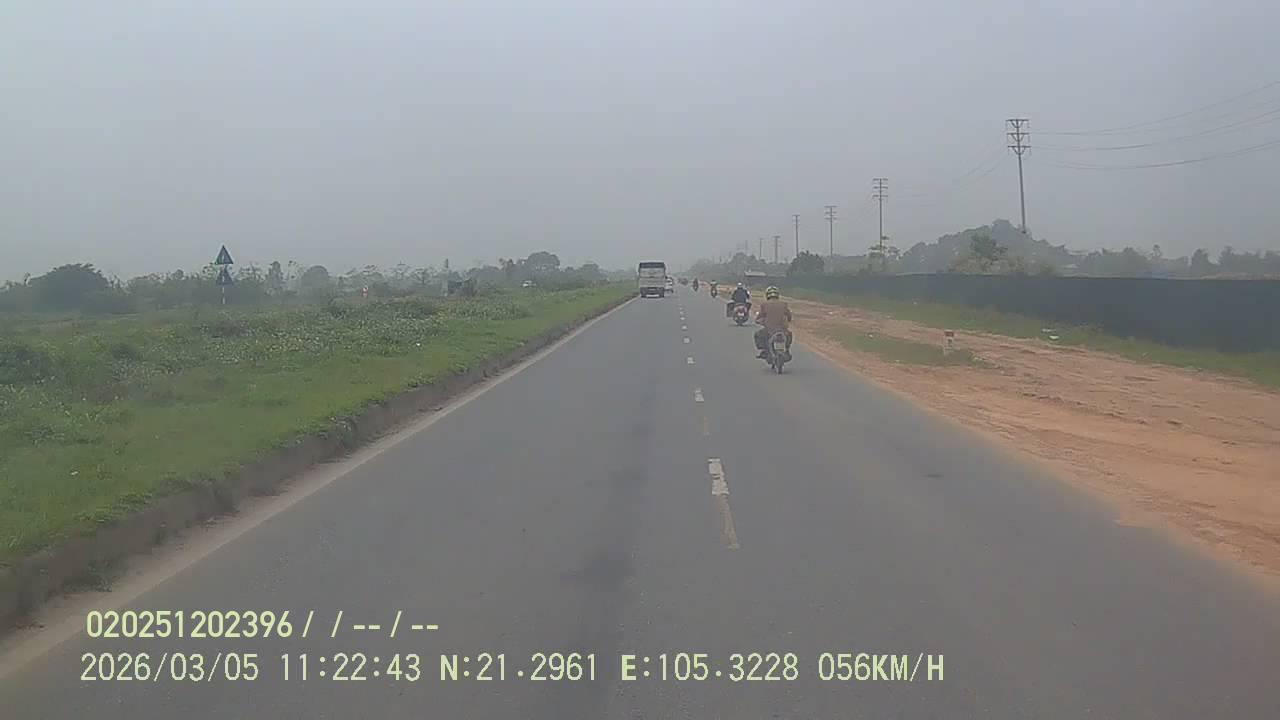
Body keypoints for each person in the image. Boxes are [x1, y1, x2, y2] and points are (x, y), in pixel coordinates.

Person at [754, 286, 793, 359]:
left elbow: (759, 317)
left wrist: (759, 321)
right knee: (789, 335)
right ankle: (787, 350)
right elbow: (789, 316)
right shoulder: (784, 304)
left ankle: (764, 351)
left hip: (769, 330)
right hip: (782, 329)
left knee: (758, 335)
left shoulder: (764, 305)